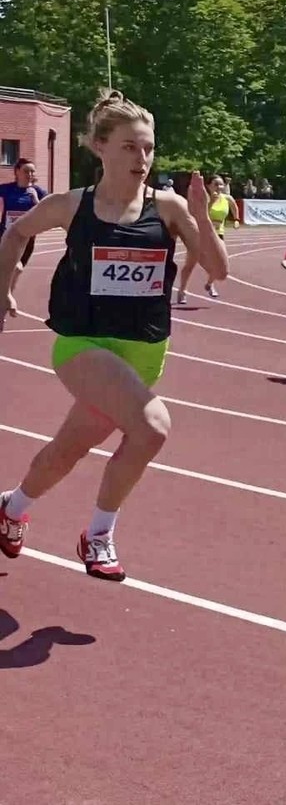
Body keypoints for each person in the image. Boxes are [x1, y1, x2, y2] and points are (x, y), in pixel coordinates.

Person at [0, 90, 228, 582]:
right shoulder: (72, 205)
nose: (142, 159)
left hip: (144, 351)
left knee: (67, 450)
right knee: (152, 428)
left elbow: (218, 269)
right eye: (129, 147)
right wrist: (3, 294)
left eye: (148, 148)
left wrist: (201, 215)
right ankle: (99, 534)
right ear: (99, 146)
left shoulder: (167, 208)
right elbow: (15, 234)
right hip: (83, 344)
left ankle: (11, 508)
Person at [0, 158, 49, 329]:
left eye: (32, 171)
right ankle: (4, 303)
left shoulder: (38, 192)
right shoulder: (7, 189)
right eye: (26, 171)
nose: (30, 174)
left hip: (27, 240)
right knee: (14, 269)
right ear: (17, 172)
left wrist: (35, 199)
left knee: (16, 271)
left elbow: (47, 212)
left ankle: (3, 306)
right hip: (6, 237)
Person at [175, 173, 238, 303]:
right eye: (216, 184)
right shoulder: (204, 198)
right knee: (190, 264)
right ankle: (182, 291)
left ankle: (209, 284)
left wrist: (236, 219)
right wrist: (211, 202)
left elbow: (234, 207)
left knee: (219, 264)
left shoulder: (227, 198)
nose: (219, 187)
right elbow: (200, 214)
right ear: (208, 186)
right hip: (199, 234)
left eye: (221, 184)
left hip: (217, 235)